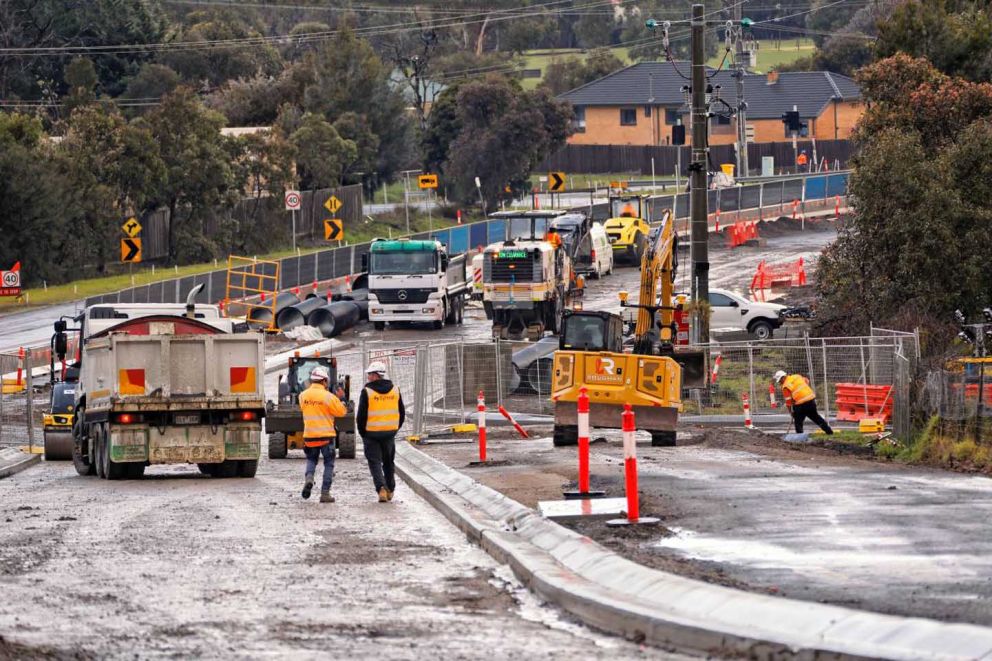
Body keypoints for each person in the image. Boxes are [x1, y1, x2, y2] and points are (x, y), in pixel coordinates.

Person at [357, 361, 405, 503]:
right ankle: (390, 488)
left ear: (377, 375)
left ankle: (381, 489)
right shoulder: (395, 390)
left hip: (371, 434)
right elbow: (401, 413)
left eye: (370, 374)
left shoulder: (367, 392)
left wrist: (362, 432)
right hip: (389, 433)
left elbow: (361, 416)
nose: (368, 377)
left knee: (375, 462)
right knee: (388, 462)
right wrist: (395, 428)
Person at [299, 366, 347, 503]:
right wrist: (341, 399)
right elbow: (342, 412)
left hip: (309, 436)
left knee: (311, 460)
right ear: (324, 381)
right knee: (328, 464)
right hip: (326, 437)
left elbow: (304, 408)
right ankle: (325, 494)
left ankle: (309, 478)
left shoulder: (303, 396)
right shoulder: (329, 397)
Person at [774, 370, 833, 435]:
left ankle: (800, 437)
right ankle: (829, 432)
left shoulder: (785, 386)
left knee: (798, 422)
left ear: (783, 377)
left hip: (800, 405)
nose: (780, 382)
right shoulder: (796, 376)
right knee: (817, 418)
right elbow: (807, 381)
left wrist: (791, 412)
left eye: (780, 380)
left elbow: (788, 402)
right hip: (810, 400)